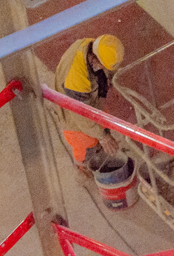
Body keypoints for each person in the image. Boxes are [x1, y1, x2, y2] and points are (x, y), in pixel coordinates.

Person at [54, 33, 126, 172]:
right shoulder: (76, 78)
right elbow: (81, 116)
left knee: (102, 123)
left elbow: (105, 69)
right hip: (74, 114)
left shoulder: (96, 47)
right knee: (85, 143)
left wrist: (109, 81)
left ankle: (99, 148)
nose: (102, 69)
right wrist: (103, 137)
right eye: (102, 66)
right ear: (93, 58)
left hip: (88, 95)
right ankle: (83, 169)